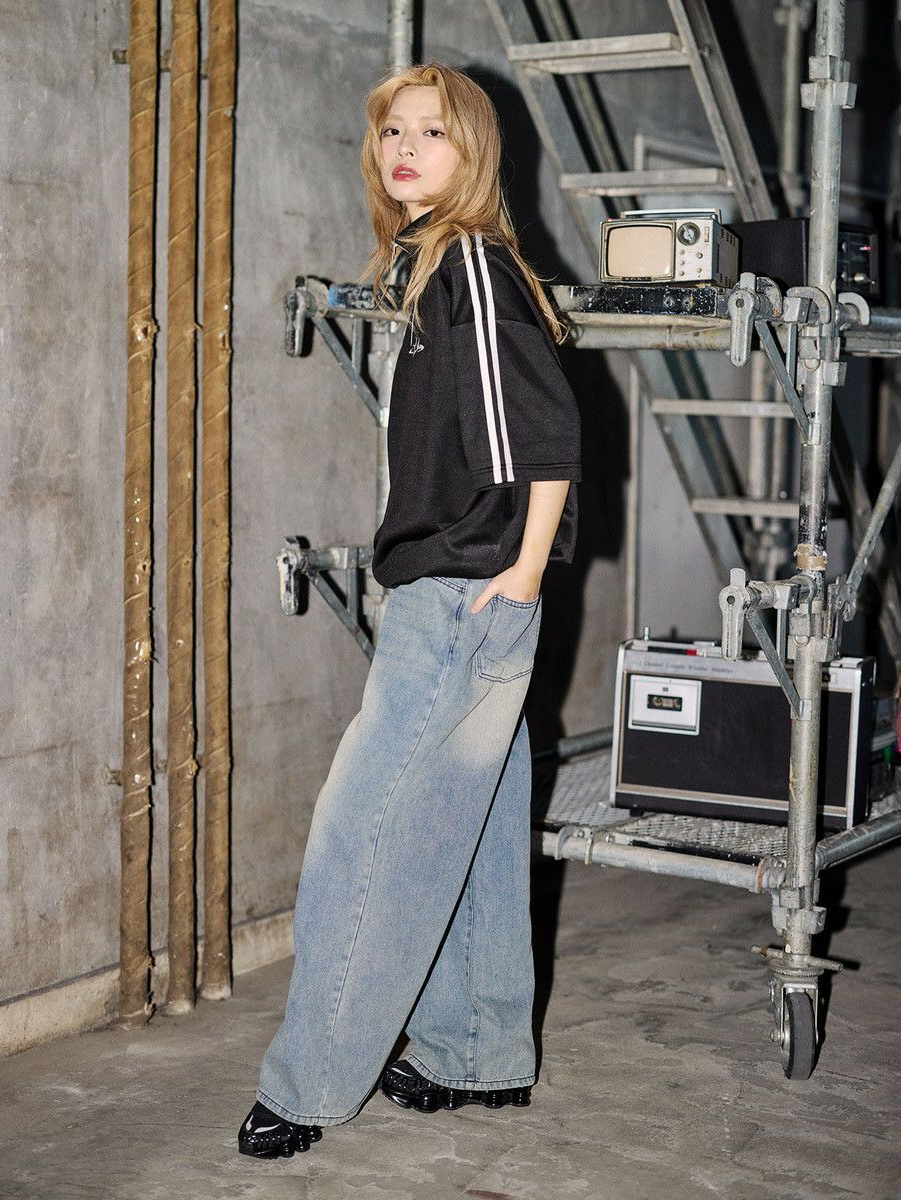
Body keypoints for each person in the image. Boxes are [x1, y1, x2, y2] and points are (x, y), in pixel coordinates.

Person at [238, 61, 583, 1161]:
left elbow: (548, 439)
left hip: (462, 596)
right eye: (393, 130)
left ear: (470, 151)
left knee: (362, 835)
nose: (405, 149)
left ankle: (307, 1087)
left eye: (432, 132)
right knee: (471, 830)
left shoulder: (468, 261)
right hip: (477, 593)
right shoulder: (440, 262)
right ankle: (472, 1053)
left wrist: (519, 574)